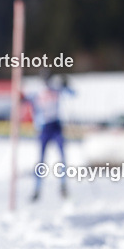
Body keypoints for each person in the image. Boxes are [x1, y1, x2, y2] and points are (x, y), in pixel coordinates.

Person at [24, 73, 75, 201]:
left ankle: (63, 185)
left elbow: (72, 93)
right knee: (41, 160)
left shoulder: (55, 90)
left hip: (55, 126)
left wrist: (66, 84)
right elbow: (23, 99)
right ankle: (37, 188)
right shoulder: (37, 92)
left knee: (62, 157)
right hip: (44, 127)